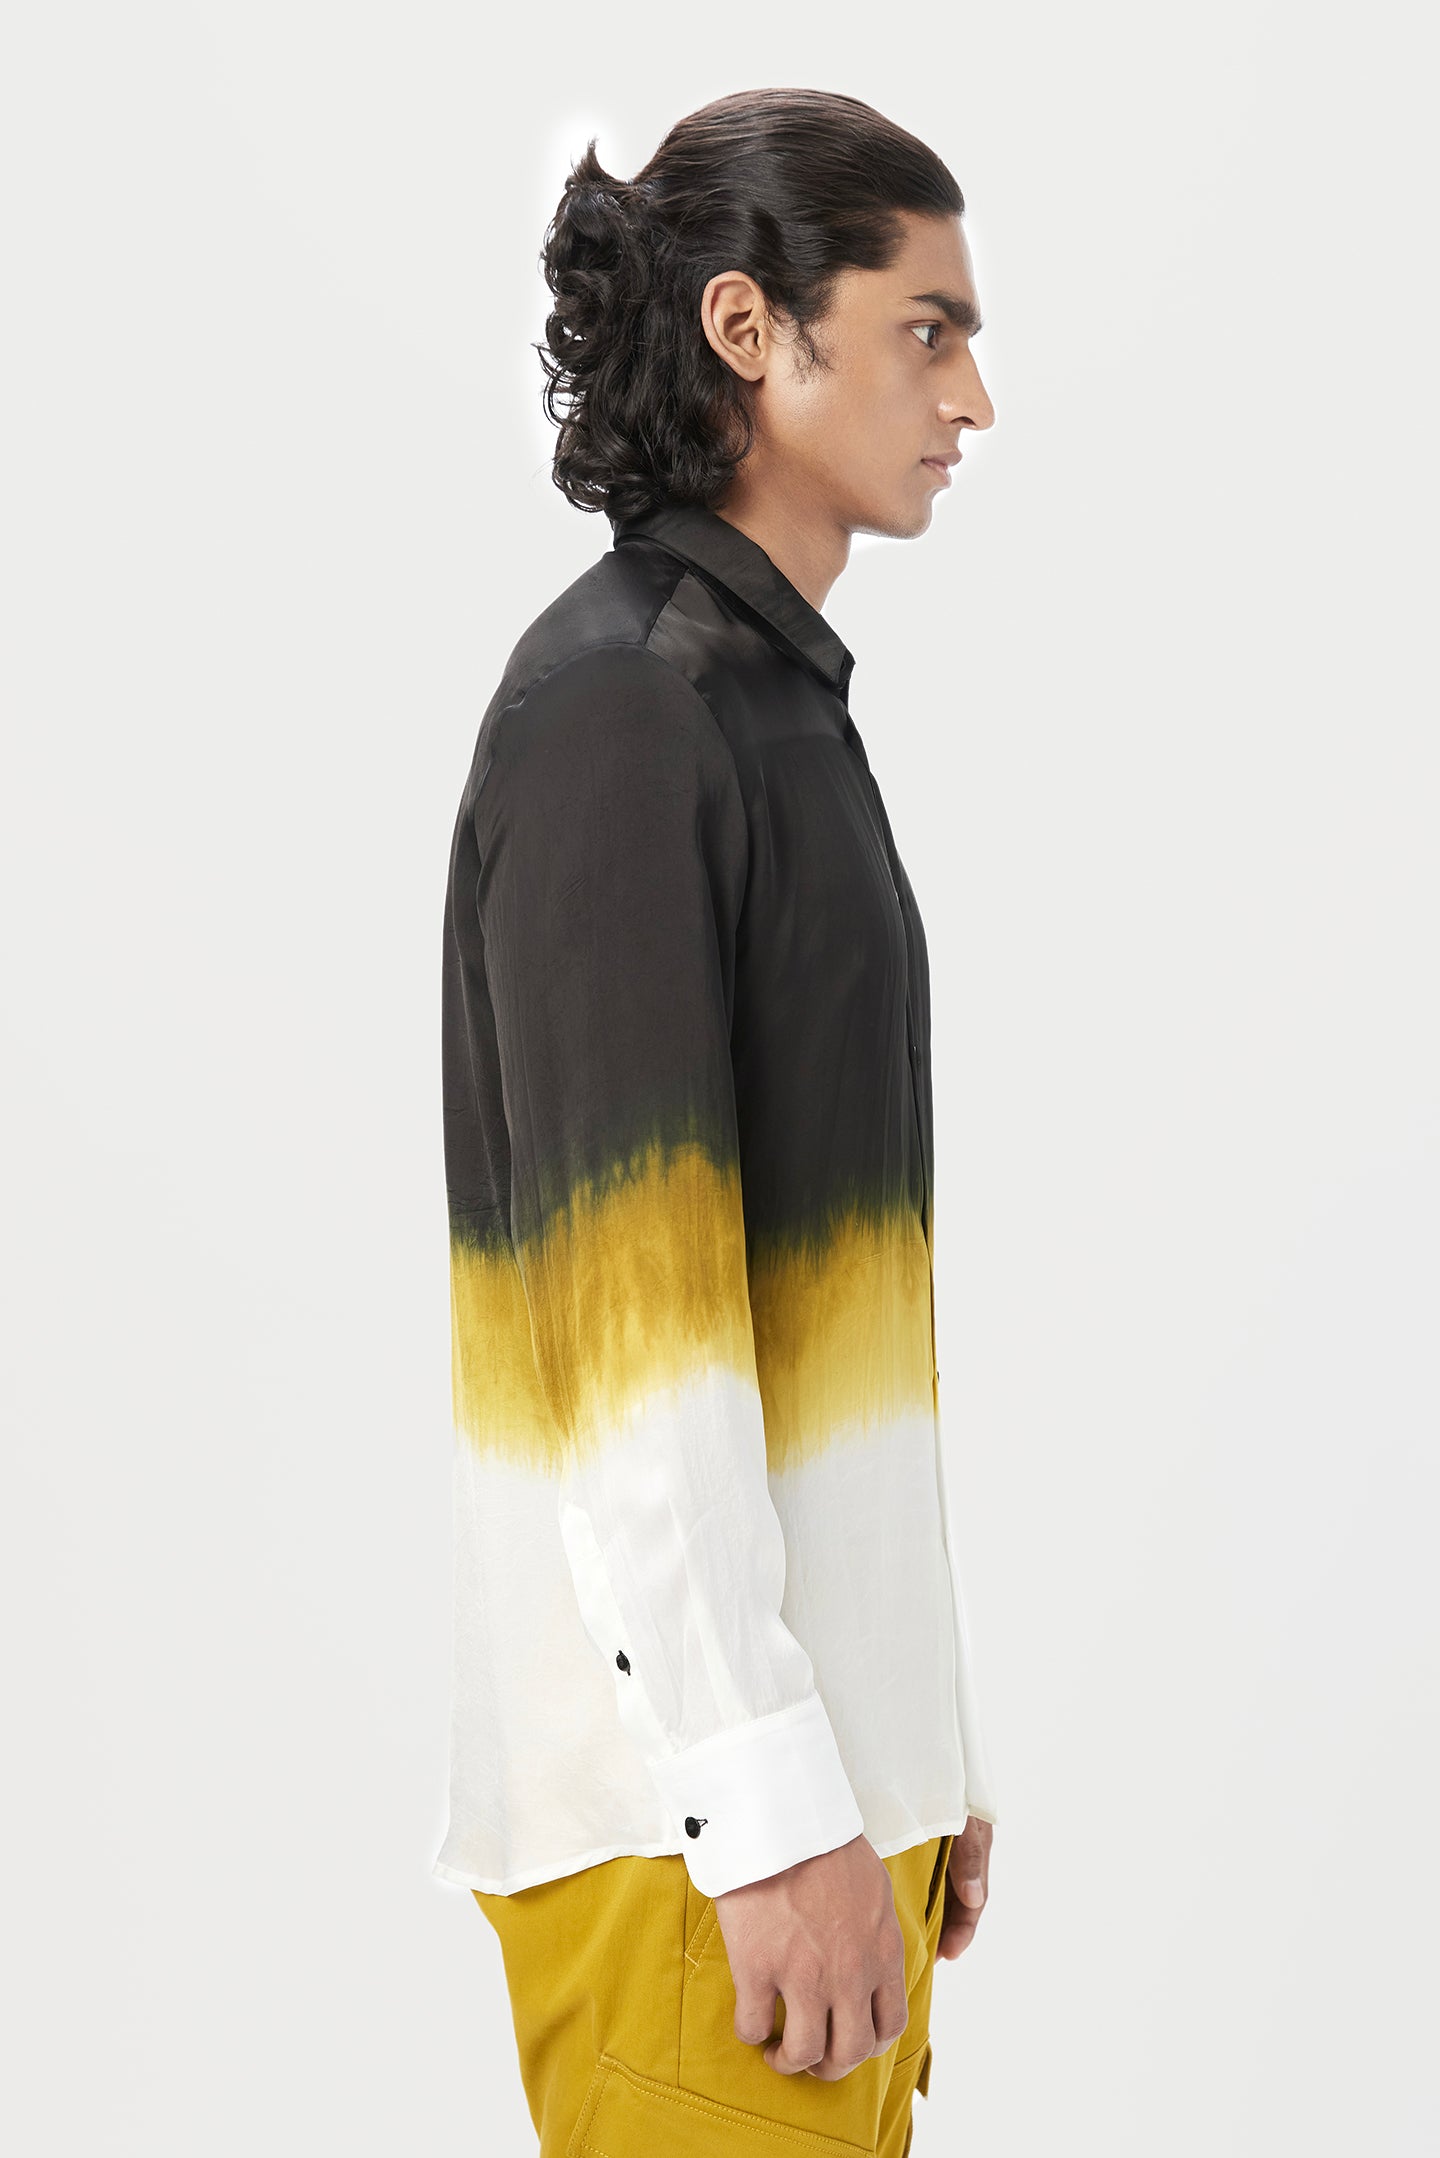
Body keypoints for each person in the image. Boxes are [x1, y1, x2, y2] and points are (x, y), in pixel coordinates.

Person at [435, 84, 999, 2157]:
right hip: (703, 1846)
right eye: (929, 329)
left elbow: (811, 1315)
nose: (974, 396)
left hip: (805, 1809)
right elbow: (636, 1346)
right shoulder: (628, 712)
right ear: (752, 328)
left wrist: (914, 1739)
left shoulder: (765, 710)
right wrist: (768, 1800)